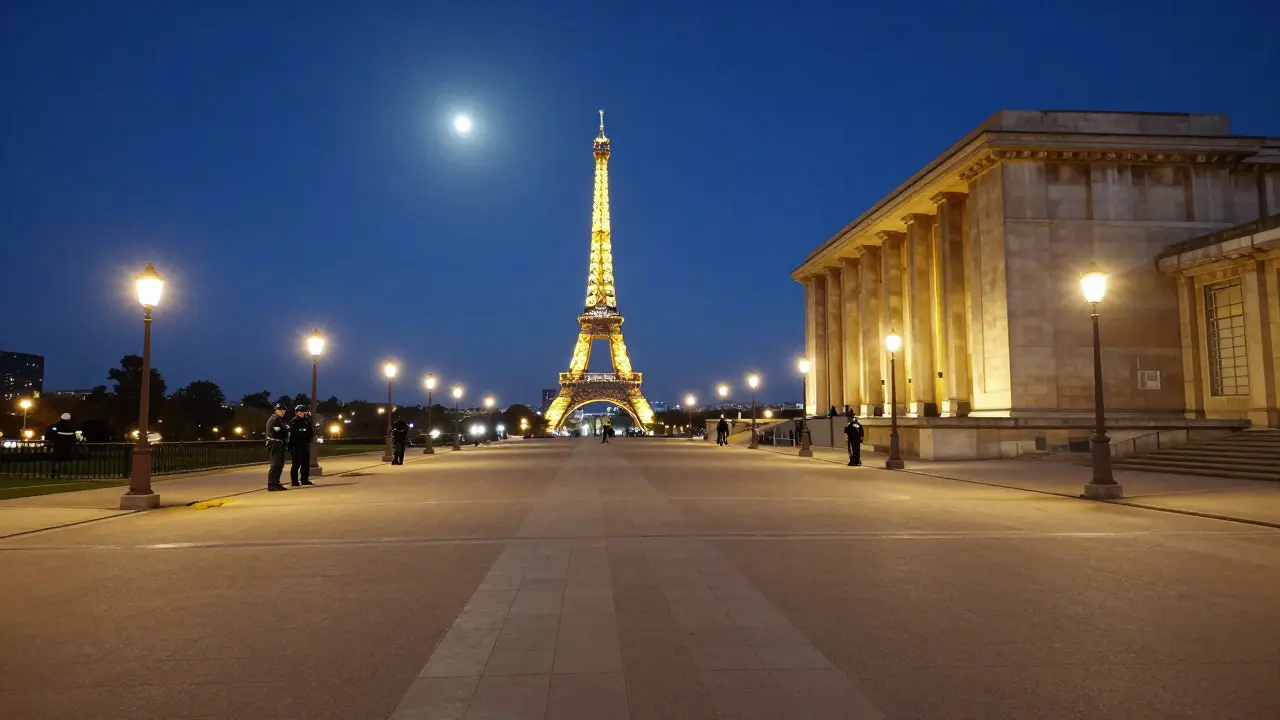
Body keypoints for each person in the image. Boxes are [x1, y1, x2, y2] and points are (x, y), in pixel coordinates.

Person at [265, 403, 290, 491]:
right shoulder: (274, 420)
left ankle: (276, 483)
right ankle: (271, 484)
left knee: (279, 465)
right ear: (276, 410)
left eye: (284, 410)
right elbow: (276, 433)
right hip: (275, 444)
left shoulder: (280, 420)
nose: (283, 412)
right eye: (281, 410)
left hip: (280, 444)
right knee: (275, 465)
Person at [288, 405, 315, 486]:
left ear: (304, 412)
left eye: (301, 411)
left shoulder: (307, 421)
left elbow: (310, 432)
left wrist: (309, 439)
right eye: (298, 412)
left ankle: (304, 479)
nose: (299, 413)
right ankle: (294, 481)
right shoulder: (294, 421)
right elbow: (291, 435)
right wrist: (291, 445)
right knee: (296, 464)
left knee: (305, 463)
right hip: (296, 446)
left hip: (305, 445)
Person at [51, 413, 76, 477]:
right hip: (68, 446)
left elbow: (52, 432)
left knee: (57, 459)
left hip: (58, 445)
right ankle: (66, 473)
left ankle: (55, 472)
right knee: (66, 459)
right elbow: (73, 435)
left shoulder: (57, 425)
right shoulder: (71, 426)